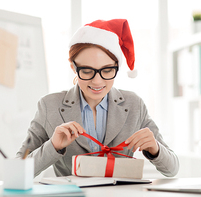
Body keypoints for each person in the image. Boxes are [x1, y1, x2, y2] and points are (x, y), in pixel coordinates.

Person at [16, 19, 179, 178]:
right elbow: (18, 171)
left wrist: (155, 148)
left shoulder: (134, 105)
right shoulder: (49, 106)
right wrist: (53, 146)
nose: (97, 81)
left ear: (117, 67)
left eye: (107, 70)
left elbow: (172, 169)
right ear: (73, 67)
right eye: (87, 71)